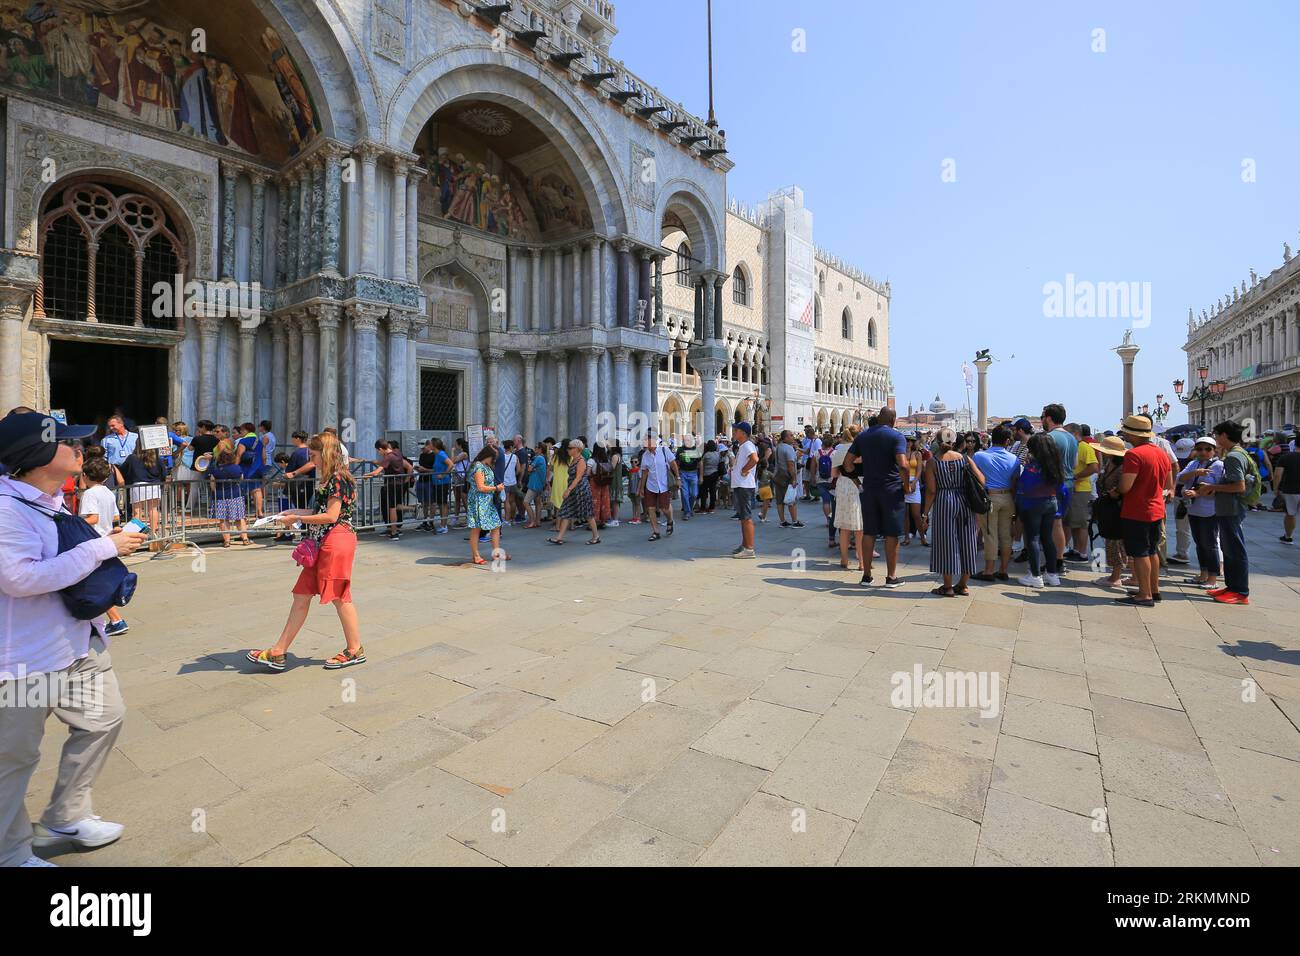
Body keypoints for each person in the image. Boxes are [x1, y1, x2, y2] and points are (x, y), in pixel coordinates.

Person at [0, 411, 147, 867]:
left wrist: (110, 541)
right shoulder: (6, 509)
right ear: (39, 455)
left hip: (78, 645)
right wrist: (105, 547)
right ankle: (10, 851)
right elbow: (19, 578)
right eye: (70, 443)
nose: (82, 450)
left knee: (104, 718)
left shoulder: (50, 499)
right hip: (26, 659)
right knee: (14, 759)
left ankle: (66, 815)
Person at [249, 432, 365, 670]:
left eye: (313, 455)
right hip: (322, 540)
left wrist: (296, 517)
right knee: (301, 595)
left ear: (326, 454)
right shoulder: (329, 478)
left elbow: (332, 516)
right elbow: (319, 509)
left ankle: (355, 649)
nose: (310, 459)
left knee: (339, 595)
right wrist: (293, 512)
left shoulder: (338, 479)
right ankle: (278, 652)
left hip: (336, 539)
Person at [1187, 421, 1252, 605]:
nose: (1215, 439)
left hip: (1231, 509)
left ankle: (1240, 591)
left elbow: (1239, 486)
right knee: (1229, 548)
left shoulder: (1233, 457)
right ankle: (1232, 587)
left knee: (1234, 550)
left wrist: (1211, 486)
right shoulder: (1238, 453)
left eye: (1216, 435)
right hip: (1228, 508)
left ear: (1224, 435)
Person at [846, 406, 908, 588]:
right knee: (892, 533)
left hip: (870, 489)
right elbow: (903, 465)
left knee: (869, 532)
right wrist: (907, 485)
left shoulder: (863, 436)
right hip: (891, 490)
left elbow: (847, 463)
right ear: (893, 420)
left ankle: (866, 576)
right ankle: (891, 577)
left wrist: (858, 482)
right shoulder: (897, 436)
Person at [1114, 415, 1172, 606]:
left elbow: (1125, 486)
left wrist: (1116, 490)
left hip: (1138, 510)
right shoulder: (1161, 453)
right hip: (1156, 508)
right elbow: (1165, 481)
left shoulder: (1134, 454)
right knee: (1152, 550)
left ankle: (1144, 594)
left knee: (1139, 553)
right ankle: (1154, 590)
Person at [924, 427, 985, 596]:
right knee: (967, 540)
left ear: (937, 441)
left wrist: (925, 513)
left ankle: (948, 586)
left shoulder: (933, 462)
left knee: (946, 542)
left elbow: (931, 491)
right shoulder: (965, 459)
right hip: (964, 501)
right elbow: (982, 479)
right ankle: (963, 584)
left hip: (944, 501)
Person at [77, 457, 130, 637]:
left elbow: (93, 518)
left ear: (84, 475)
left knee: (92, 584)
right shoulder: (107, 492)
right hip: (107, 540)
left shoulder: (90, 494)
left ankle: (116, 620)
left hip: (94, 541)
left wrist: (74, 521)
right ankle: (110, 620)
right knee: (95, 582)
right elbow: (115, 517)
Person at [1015, 433, 1066, 589]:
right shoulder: (1055, 464)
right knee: (1047, 539)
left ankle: (1035, 576)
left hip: (1033, 505)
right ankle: (1052, 574)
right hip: (1051, 503)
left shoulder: (1033, 466)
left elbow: (1025, 486)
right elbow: (1061, 488)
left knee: (1033, 539)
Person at [972, 424, 1018, 582]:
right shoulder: (1014, 459)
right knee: (1006, 535)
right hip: (1008, 497)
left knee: (990, 534)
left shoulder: (980, 456)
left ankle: (989, 570)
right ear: (1007, 441)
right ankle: (1003, 570)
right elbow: (1015, 481)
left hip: (990, 497)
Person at [1178, 436, 1224, 590]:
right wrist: (1195, 473)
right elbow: (1179, 478)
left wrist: (1199, 493)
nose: (1203, 452)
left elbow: (1219, 489)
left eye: (1207, 449)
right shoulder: (1194, 463)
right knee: (1199, 543)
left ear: (1214, 450)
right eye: (1199, 449)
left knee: (1210, 544)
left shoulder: (1218, 465)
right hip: (1194, 509)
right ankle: (1203, 574)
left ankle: (1212, 577)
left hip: (1209, 510)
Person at [1041, 404, 1077, 569]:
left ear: (1048, 418)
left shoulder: (1050, 437)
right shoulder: (1072, 438)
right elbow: (1075, 464)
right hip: (1069, 483)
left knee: (1053, 524)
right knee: (1059, 523)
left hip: (1053, 484)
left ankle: (1055, 561)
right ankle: (1059, 558)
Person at [1091, 436, 1129, 588]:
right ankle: (1115, 574)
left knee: (1116, 542)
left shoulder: (1121, 467)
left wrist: (1115, 493)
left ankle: (1116, 576)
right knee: (1111, 542)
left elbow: (1123, 487)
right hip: (1109, 507)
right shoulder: (1110, 462)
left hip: (1117, 508)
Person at [465, 445, 510, 563]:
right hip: (478, 501)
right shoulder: (479, 467)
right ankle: (476, 556)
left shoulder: (485, 466)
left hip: (486, 501)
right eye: (494, 458)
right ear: (488, 456)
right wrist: (496, 488)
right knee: (476, 528)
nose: (494, 460)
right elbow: (480, 487)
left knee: (496, 525)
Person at [550, 439, 599, 545]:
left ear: (577, 449)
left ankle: (596, 536)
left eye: (570, 448)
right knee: (566, 512)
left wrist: (568, 490)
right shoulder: (573, 459)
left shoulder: (581, 461)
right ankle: (559, 537)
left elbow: (578, 478)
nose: (568, 449)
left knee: (588, 514)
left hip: (581, 491)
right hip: (574, 490)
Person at [1062, 423, 1099, 563]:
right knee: (1073, 522)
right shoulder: (1074, 447)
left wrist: (1076, 477)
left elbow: (1094, 467)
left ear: (1076, 434)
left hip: (1081, 490)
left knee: (1081, 523)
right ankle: (1076, 549)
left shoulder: (1084, 447)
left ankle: (1082, 553)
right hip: (1074, 489)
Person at [832, 425, 864, 572]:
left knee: (844, 528)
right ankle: (862, 563)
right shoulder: (861, 450)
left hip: (843, 484)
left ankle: (844, 559)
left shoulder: (838, 450)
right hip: (858, 485)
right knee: (860, 528)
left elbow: (833, 474)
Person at [209, 442, 252, 547]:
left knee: (223, 520)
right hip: (236, 495)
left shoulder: (216, 470)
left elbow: (212, 485)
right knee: (240, 517)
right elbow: (241, 479)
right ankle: (245, 538)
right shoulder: (237, 468)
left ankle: (227, 541)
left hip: (221, 497)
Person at [120, 445, 165, 537]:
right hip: (154, 485)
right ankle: (153, 533)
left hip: (137, 485)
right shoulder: (156, 457)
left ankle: (137, 534)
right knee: (153, 510)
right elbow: (163, 471)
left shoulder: (132, 458)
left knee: (137, 512)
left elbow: (123, 469)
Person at [640, 431, 677, 541]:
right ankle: (656, 532)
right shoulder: (645, 455)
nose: (646, 443)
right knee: (650, 509)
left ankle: (670, 520)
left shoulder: (664, 450)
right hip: (650, 486)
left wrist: (678, 478)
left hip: (664, 485)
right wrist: (641, 488)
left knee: (665, 509)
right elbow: (644, 473)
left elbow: (673, 464)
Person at [730, 421, 759, 558]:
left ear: (743, 433)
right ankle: (745, 544)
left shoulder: (748, 445)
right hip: (741, 485)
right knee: (743, 517)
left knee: (746, 517)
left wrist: (744, 469)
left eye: (736, 430)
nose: (734, 432)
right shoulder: (743, 446)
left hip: (744, 486)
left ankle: (749, 549)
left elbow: (755, 459)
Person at [1168, 436, 1196, 564]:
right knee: (1182, 527)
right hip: (1181, 497)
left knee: (1186, 527)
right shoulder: (1178, 460)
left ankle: (1182, 552)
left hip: (1197, 498)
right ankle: (1182, 552)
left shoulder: (1200, 461)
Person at [1272, 438, 1300, 543]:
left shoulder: (1286, 457)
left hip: (1290, 490)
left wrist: (1276, 489)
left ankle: (1288, 537)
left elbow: (1277, 475)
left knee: (1290, 514)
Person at [902, 436, 927, 546]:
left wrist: (913, 482)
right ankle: (906, 537)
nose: (909, 443)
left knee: (916, 514)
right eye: (907, 440)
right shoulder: (901, 453)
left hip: (914, 482)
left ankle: (922, 538)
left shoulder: (917, 454)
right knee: (905, 514)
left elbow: (919, 470)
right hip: (903, 482)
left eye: (911, 440)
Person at [523, 440, 548, 529]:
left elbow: (529, 469)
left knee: (526, 502)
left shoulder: (538, 458)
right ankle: (537, 521)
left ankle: (532, 521)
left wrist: (532, 469)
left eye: (536, 447)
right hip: (540, 484)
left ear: (540, 449)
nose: (535, 449)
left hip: (534, 484)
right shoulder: (543, 458)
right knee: (538, 503)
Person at [676, 435, 700, 520]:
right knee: (685, 494)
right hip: (683, 473)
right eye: (686, 440)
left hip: (693, 473)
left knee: (694, 494)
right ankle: (687, 512)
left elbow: (700, 463)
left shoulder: (696, 449)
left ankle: (689, 509)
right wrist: (677, 475)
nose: (687, 441)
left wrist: (701, 476)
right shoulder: (680, 450)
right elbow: (677, 462)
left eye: (689, 440)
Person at [589, 443, 614, 528]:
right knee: (604, 501)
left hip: (595, 483)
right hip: (604, 483)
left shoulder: (592, 461)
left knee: (595, 502)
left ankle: (594, 522)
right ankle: (603, 521)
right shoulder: (606, 460)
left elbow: (587, 473)